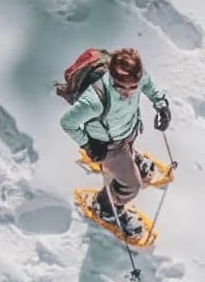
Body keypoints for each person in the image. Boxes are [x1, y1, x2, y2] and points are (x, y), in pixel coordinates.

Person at [59, 47, 171, 237]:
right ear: (111, 76)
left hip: (128, 131)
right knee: (132, 186)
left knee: (128, 147)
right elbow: (67, 122)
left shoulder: (138, 78)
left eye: (133, 87)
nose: (127, 93)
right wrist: (89, 145)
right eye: (120, 87)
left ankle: (131, 159)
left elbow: (148, 84)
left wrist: (161, 105)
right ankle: (106, 208)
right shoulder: (94, 100)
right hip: (107, 146)